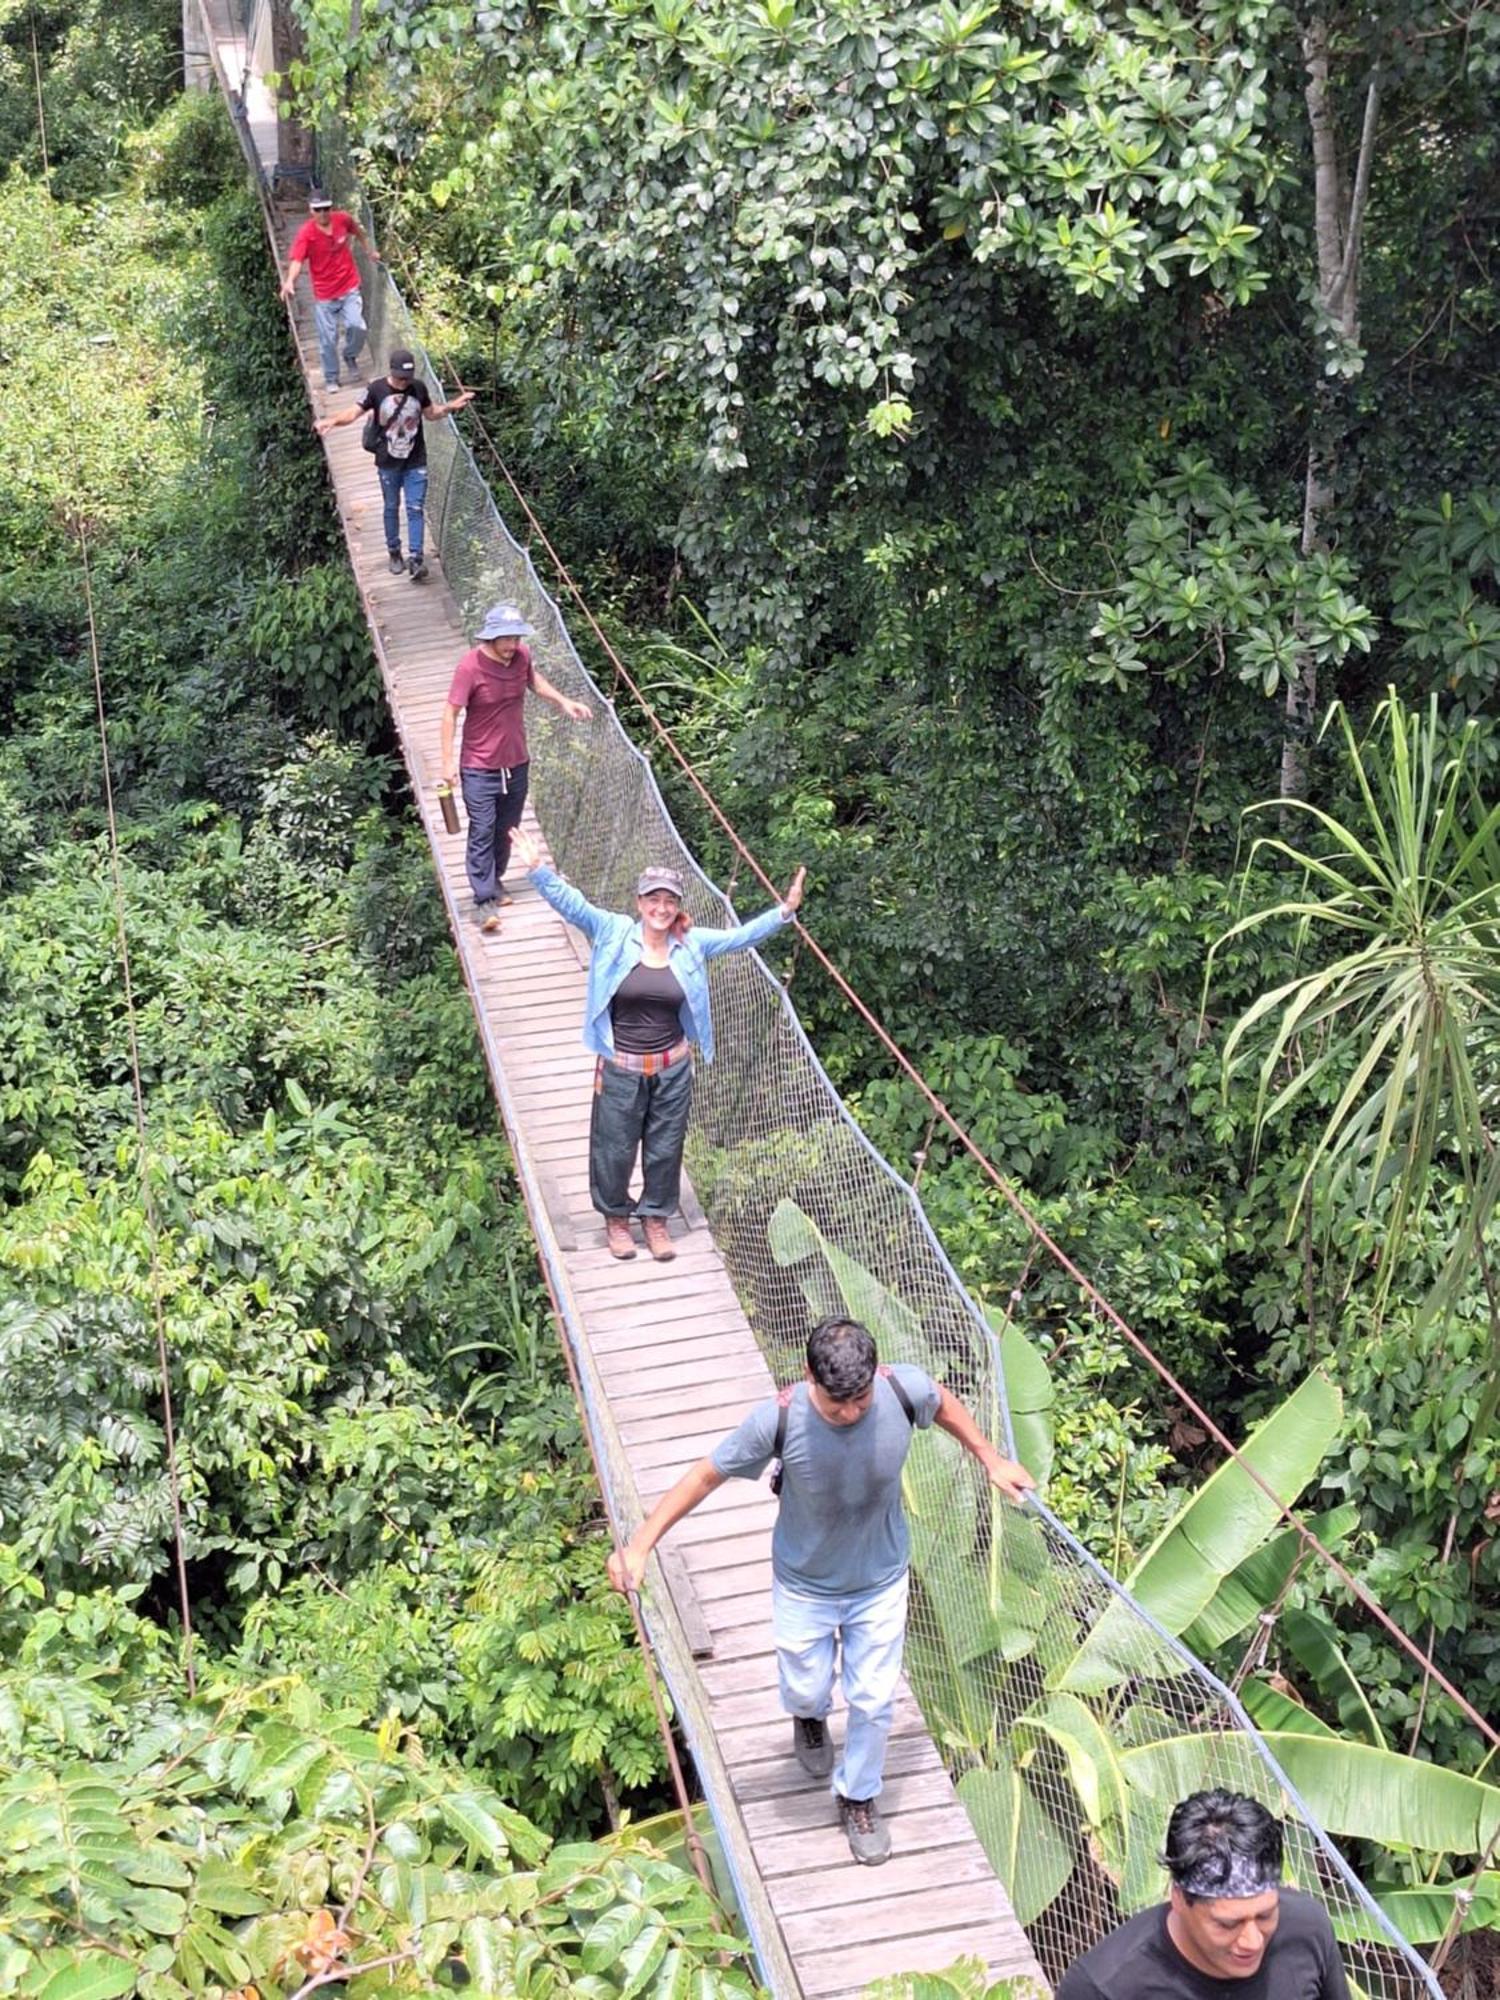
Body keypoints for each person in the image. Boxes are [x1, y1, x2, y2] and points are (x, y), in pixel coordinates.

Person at [606, 1316, 1034, 1863]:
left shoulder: (902, 1390)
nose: (852, 1412)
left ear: (877, 1375)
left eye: (860, 1400)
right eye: (839, 1405)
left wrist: (990, 1458)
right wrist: (640, 1545)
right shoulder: (778, 1421)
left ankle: (858, 1795)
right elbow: (703, 1477)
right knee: (806, 1685)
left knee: (874, 1700)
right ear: (809, 1376)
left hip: (880, 1577)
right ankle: (808, 1715)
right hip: (804, 1582)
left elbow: (942, 1401)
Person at [508, 825, 805, 1263]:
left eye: (669, 901)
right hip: (621, 1065)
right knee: (614, 1145)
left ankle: (655, 1220)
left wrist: (784, 912)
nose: (660, 909)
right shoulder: (612, 930)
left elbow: (739, 939)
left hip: (673, 1066)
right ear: (639, 903)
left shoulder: (691, 943)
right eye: (653, 900)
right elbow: (573, 906)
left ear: (677, 907)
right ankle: (615, 1219)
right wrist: (538, 870)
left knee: (666, 1144)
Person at [1057, 1790, 1351, 2000]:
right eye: (1227, 1924)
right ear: (1179, 1899)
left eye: (1265, 1915)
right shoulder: (1102, 1988)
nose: (1253, 1941)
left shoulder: (1307, 1928)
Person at [441, 605, 592, 935]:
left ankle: (495, 881)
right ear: (491, 637)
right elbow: (450, 713)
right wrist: (447, 762)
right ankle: (483, 902)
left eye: (516, 638)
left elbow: (533, 681)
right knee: (482, 827)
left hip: (516, 761)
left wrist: (564, 702)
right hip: (479, 765)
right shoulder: (470, 667)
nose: (512, 645)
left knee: (507, 827)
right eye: (506, 639)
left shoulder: (521, 656)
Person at [314, 348, 475, 582]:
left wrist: (452, 405)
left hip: (415, 459)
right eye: (400, 378)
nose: (403, 382)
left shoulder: (418, 388)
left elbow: (431, 413)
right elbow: (353, 413)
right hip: (388, 461)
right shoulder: (376, 390)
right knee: (391, 506)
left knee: (415, 507)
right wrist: (331, 421)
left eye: (406, 378)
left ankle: (417, 558)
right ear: (392, 372)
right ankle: (394, 552)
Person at [280, 190, 379, 391]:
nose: (323, 213)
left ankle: (350, 355)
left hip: (349, 286)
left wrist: (369, 250)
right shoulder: (306, 234)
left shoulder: (343, 220)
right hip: (325, 295)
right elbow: (297, 260)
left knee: (357, 327)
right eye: (318, 210)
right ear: (311, 210)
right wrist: (290, 281)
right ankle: (332, 378)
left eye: (326, 208)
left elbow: (359, 232)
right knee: (328, 340)